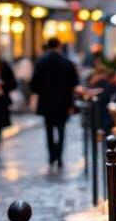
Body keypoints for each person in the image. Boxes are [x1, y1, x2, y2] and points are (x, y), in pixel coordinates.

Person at [30, 38, 80, 167]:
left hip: (46, 102)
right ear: (59, 46)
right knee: (61, 130)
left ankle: (52, 155)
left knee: (49, 130)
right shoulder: (67, 63)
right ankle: (59, 156)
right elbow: (74, 84)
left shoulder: (41, 62)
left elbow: (34, 85)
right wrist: (71, 103)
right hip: (63, 102)